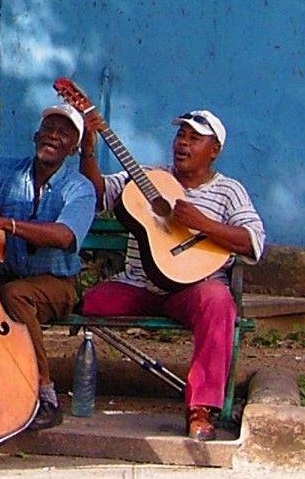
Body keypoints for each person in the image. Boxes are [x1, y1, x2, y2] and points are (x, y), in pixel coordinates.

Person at [77, 109, 266, 441]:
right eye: (181, 136)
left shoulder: (229, 191)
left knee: (219, 302)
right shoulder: (147, 176)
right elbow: (97, 193)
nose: (184, 144)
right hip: (139, 284)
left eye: (195, 138)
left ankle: (200, 408)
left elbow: (252, 242)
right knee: (86, 303)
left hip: (192, 291)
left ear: (215, 150)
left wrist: (202, 223)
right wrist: (88, 150)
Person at [0, 104, 96, 432]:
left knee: (14, 296)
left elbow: (63, 236)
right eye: (49, 129)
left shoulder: (79, 188)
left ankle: (44, 395)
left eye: (65, 134)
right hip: (6, 275)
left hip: (56, 283)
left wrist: (6, 224)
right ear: (36, 136)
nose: (54, 137)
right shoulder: (5, 171)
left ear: (74, 148)